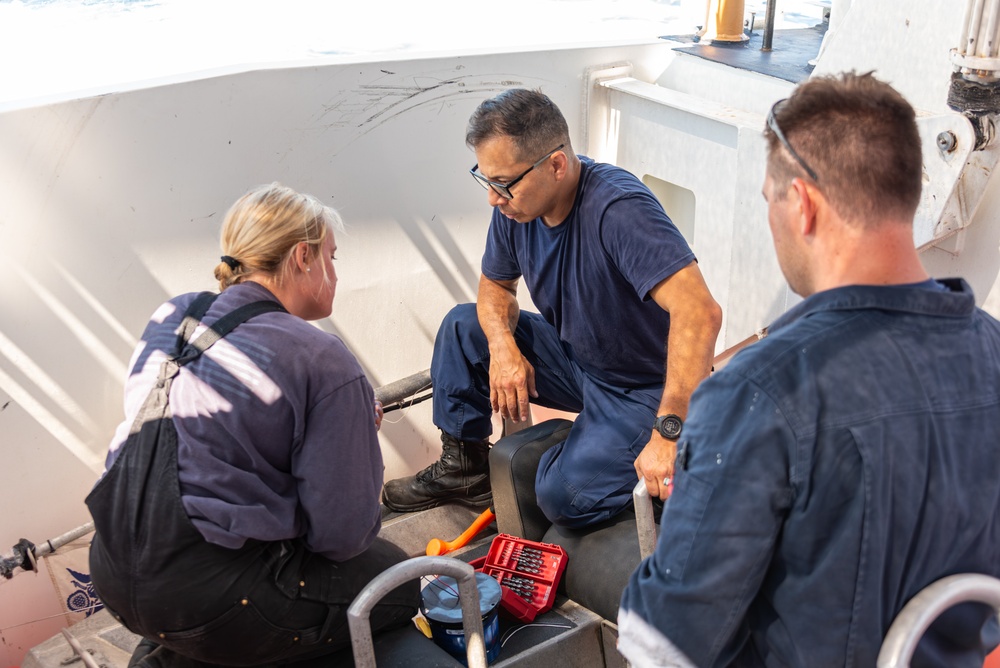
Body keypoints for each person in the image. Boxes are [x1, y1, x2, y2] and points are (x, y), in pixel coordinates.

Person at [618, 72, 1000, 667]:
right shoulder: (994, 349)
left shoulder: (757, 391)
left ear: (802, 204)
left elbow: (664, 646)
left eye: (770, 199)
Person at [87, 183, 418, 668]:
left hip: (114, 568)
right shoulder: (322, 358)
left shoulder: (176, 314)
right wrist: (353, 434)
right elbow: (342, 536)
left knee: (196, 585)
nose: (335, 271)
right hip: (215, 593)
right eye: (332, 256)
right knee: (398, 582)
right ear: (303, 256)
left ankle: (166, 652)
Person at [381, 88, 722, 529]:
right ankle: (465, 469)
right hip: (578, 359)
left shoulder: (618, 211)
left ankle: (627, 450)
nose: (493, 198)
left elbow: (700, 313)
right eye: (485, 180)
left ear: (556, 165)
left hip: (644, 387)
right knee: (463, 327)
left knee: (563, 497)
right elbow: (494, 288)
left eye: (502, 184)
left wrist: (669, 430)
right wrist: (503, 347)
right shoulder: (514, 210)